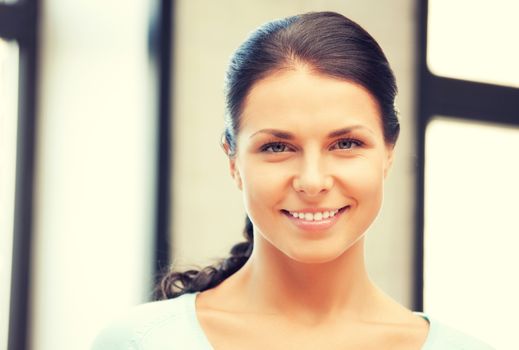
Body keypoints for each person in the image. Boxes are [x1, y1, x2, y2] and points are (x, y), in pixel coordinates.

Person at [92, 11, 493, 349]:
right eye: (277, 147)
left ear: (388, 153)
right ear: (232, 161)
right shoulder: (138, 342)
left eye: (346, 143)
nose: (312, 181)